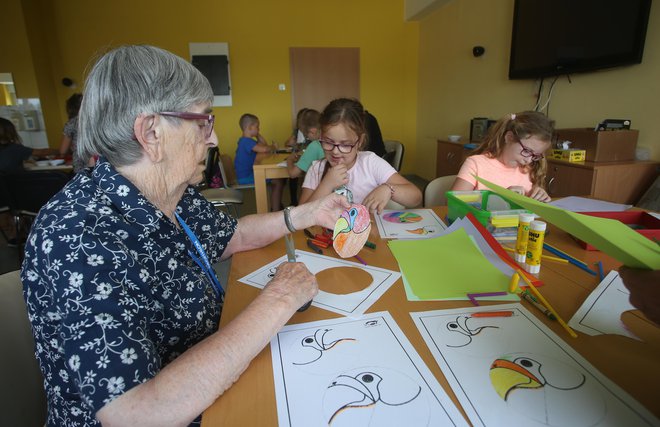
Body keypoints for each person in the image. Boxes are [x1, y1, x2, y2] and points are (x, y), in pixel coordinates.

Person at [20, 45, 350, 426]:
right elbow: (136, 415)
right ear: (151, 133)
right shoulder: (75, 234)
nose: (211, 140)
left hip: (208, 379)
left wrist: (305, 213)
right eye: (202, 123)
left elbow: (234, 234)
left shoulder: (170, 190)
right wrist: (278, 299)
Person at [299, 98, 422, 213]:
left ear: (360, 141)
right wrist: (326, 184)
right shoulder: (316, 169)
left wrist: (388, 189)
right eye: (328, 142)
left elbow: (416, 197)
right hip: (327, 235)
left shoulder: (370, 163)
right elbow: (300, 215)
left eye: (345, 144)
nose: (335, 151)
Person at [451, 111, 553, 202]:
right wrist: (499, 198)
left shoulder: (529, 169)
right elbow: (452, 203)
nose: (528, 160)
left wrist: (539, 197)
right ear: (509, 138)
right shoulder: (476, 164)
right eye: (526, 151)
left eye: (535, 155)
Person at [234, 113, 285, 210]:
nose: (259, 129)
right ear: (250, 127)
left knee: (276, 180)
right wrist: (274, 147)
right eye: (257, 127)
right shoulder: (246, 141)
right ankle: (275, 210)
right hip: (245, 177)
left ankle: (275, 205)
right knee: (278, 181)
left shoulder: (247, 140)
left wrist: (257, 134)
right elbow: (265, 149)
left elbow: (263, 144)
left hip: (247, 174)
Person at [58, 93, 95, 172]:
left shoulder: (72, 123)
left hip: (81, 165)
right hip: (101, 163)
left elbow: (62, 151)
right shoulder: (98, 121)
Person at [286, 108, 322, 179]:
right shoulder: (331, 141)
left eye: (306, 135)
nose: (306, 138)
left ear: (313, 131)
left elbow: (293, 174)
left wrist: (289, 160)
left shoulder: (314, 145)